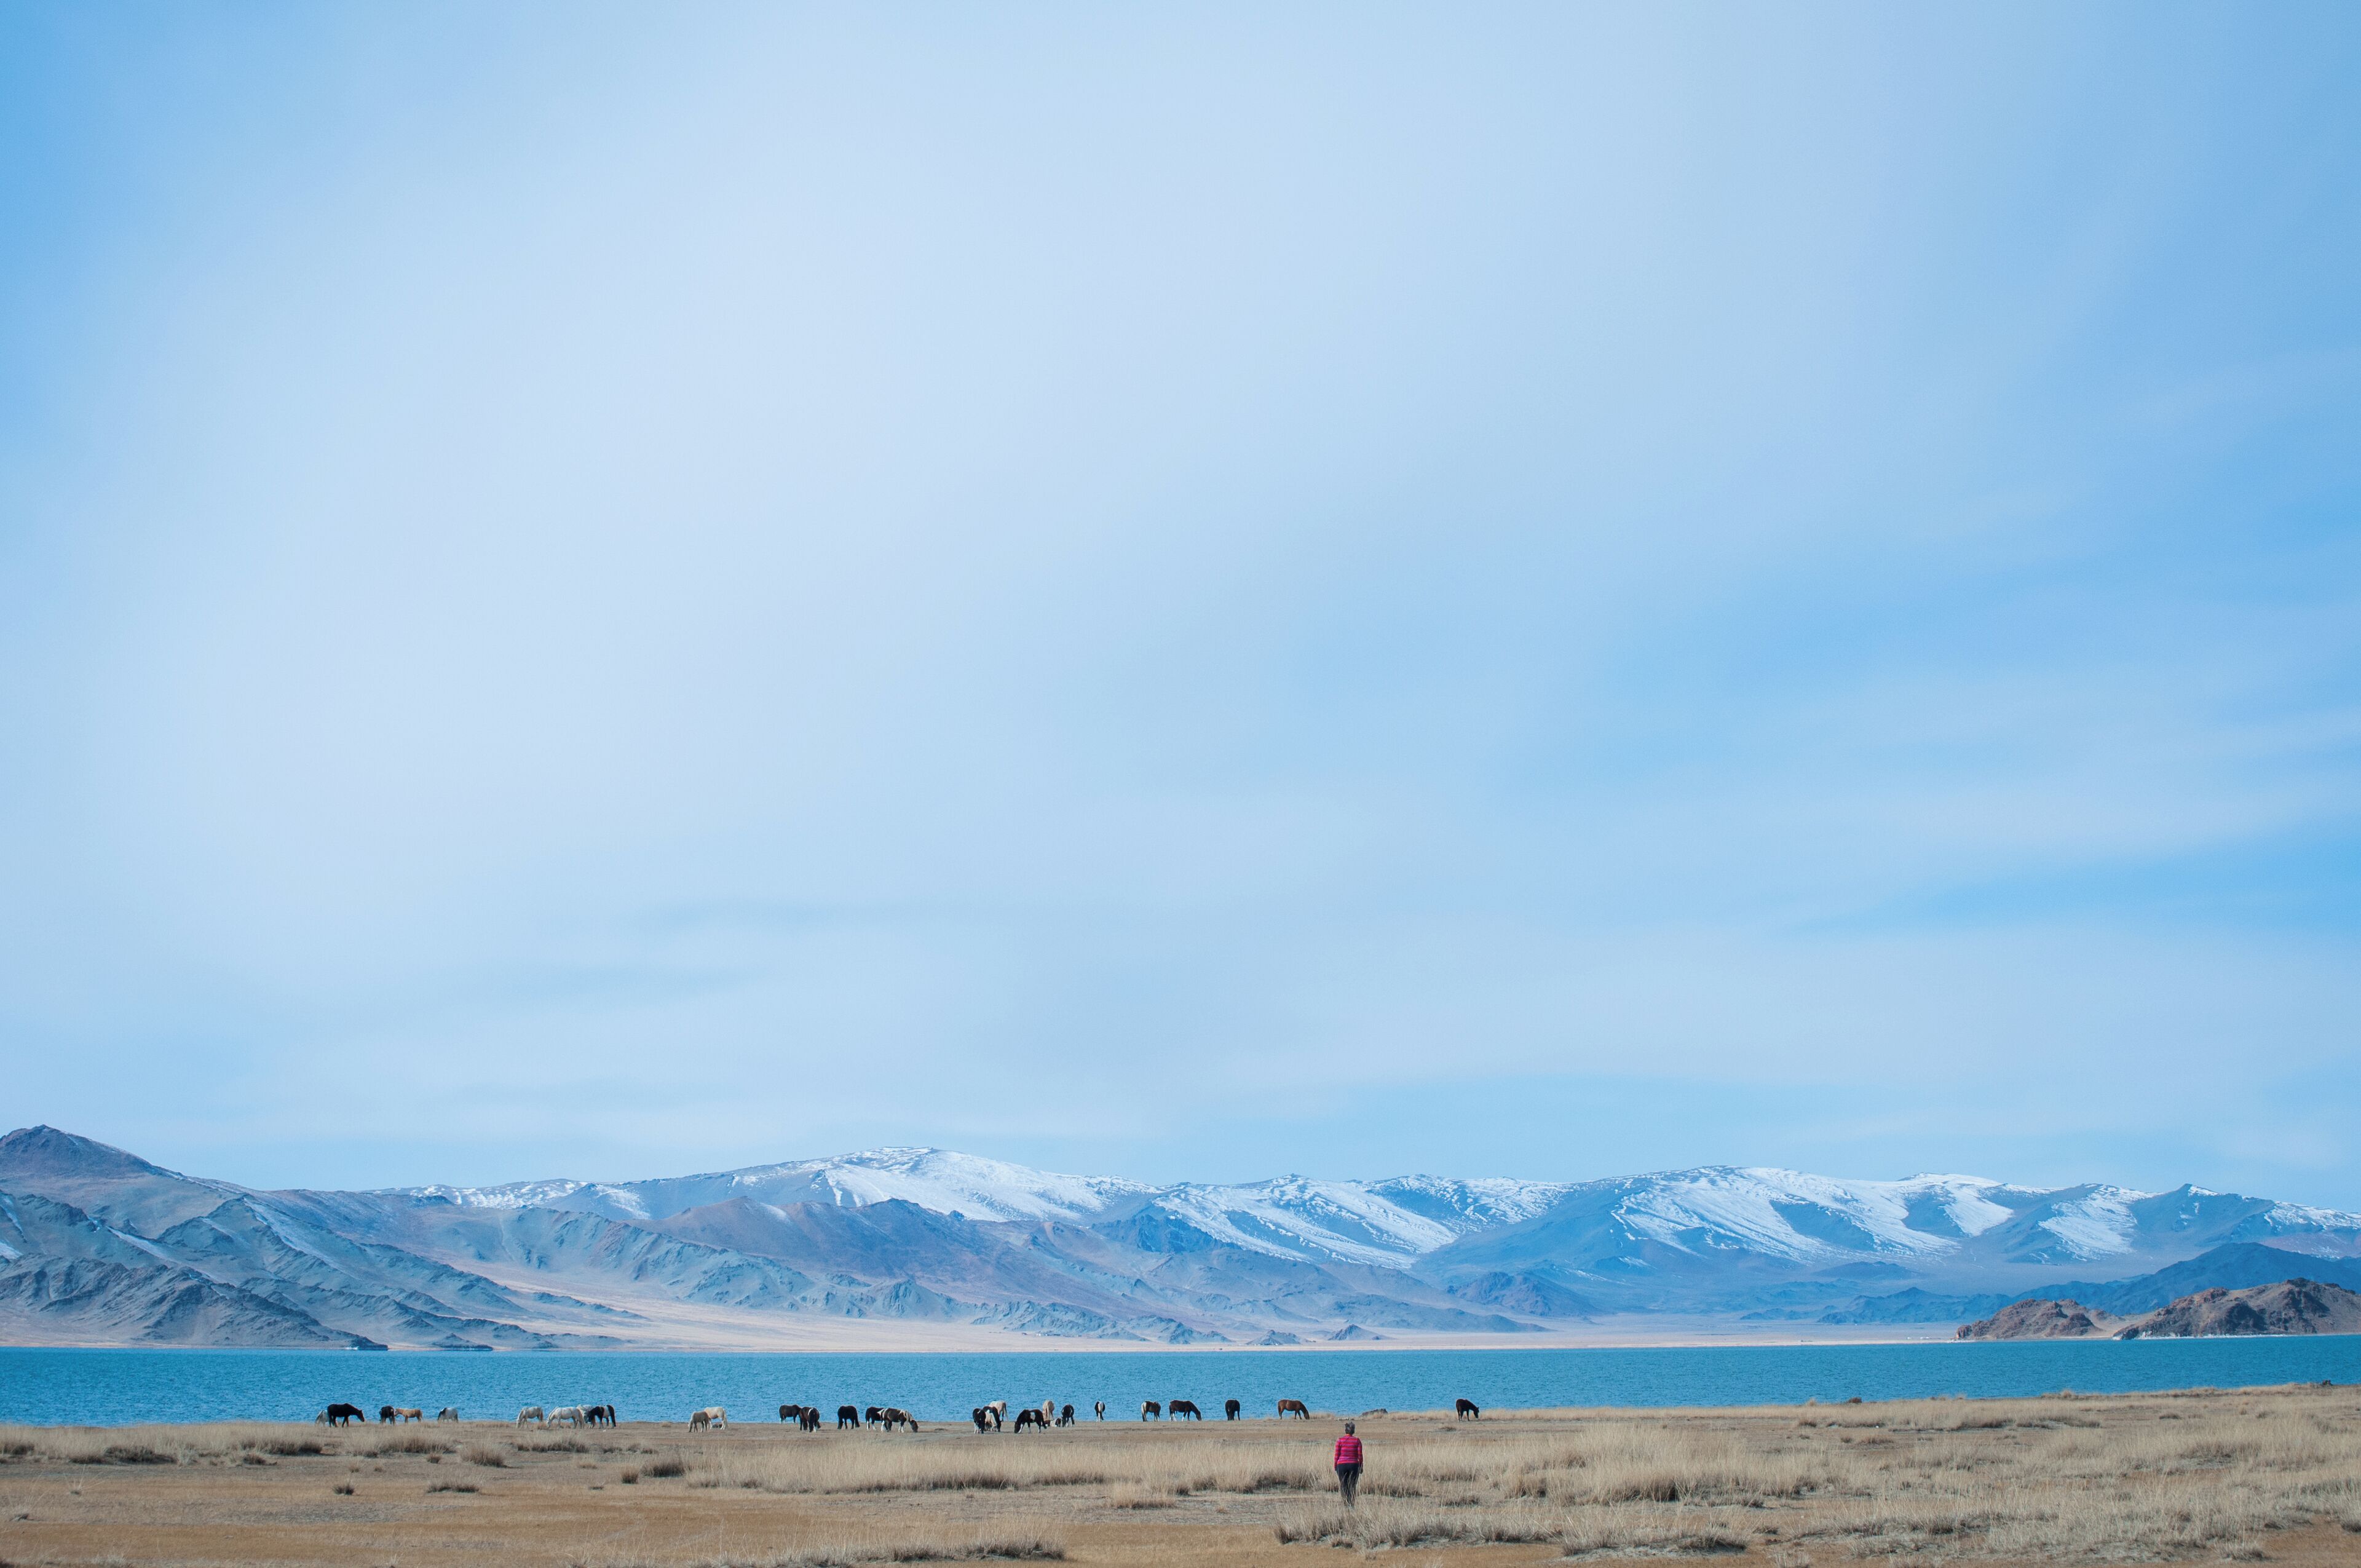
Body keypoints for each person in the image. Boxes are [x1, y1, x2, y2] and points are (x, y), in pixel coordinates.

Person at [1332, 1418, 1363, 1506]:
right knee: (1352, 1486)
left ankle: (1345, 1503)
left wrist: (1335, 1466)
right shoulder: (1357, 1441)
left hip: (1341, 1465)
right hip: (1354, 1465)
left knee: (1343, 1485)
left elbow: (1337, 1455)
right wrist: (1361, 1466)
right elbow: (1360, 1456)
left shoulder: (1340, 1440)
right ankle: (1351, 1504)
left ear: (1346, 1430)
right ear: (1353, 1431)